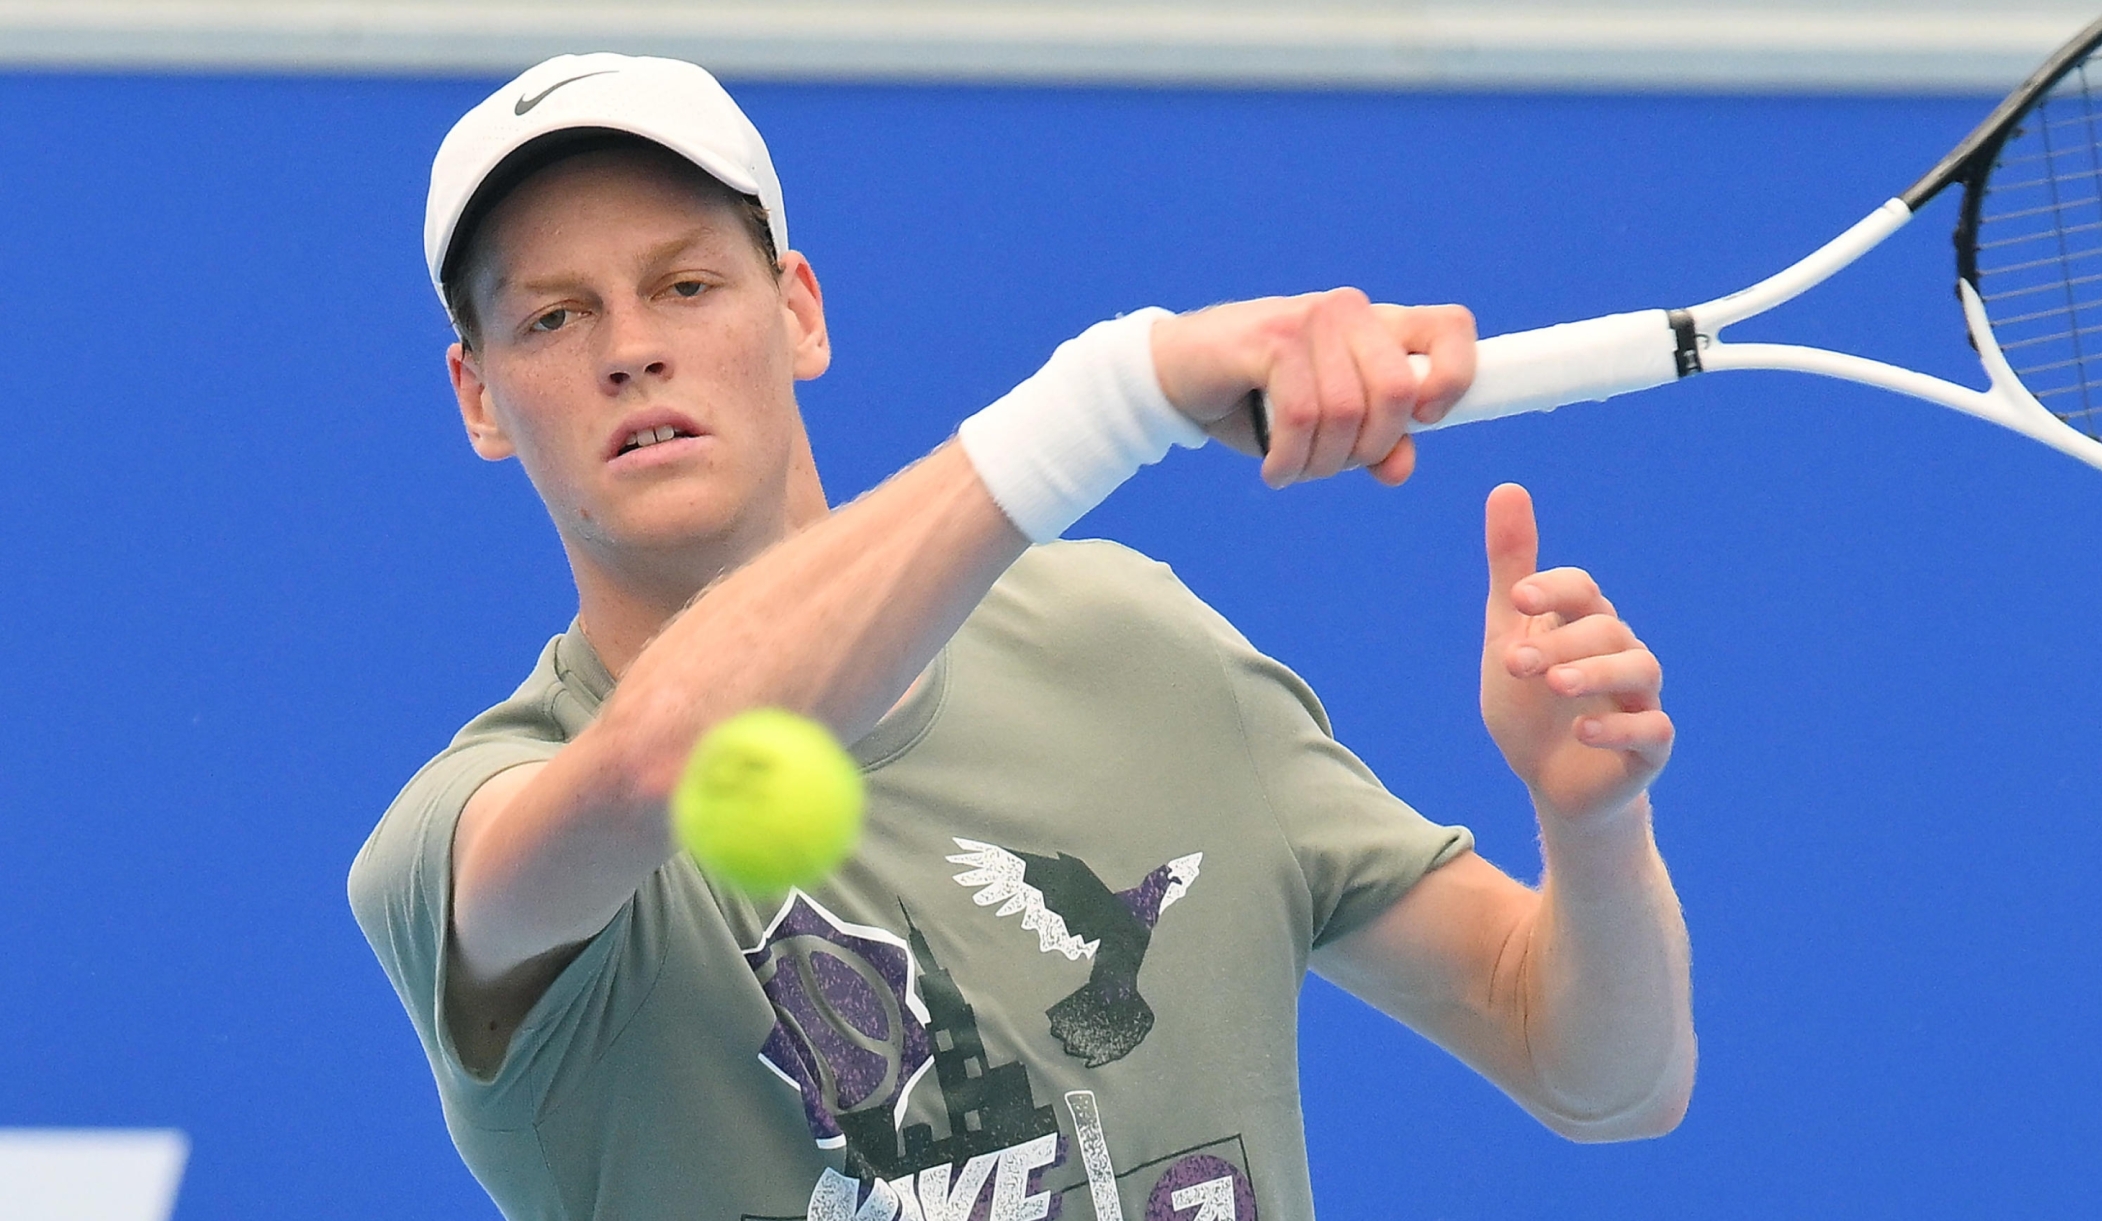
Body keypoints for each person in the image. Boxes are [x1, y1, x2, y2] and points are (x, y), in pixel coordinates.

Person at [350, 53, 1694, 1221]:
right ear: (478, 394)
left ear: (798, 308)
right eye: (554, 316)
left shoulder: (1136, 643)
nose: (632, 347)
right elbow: (672, 760)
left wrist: (1590, 829)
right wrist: (1115, 395)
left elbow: (1597, 1071)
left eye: (687, 283)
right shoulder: (464, 842)